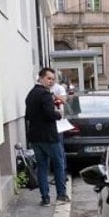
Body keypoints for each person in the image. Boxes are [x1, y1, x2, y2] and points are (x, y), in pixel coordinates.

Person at [25, 67, 70, 206]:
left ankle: (45, 198)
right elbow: (50, 114)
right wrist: (59, 114)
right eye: (48, 78)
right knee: (59, 164)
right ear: (41, 78)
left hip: (35, 137)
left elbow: (27, 115)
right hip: (49, 137)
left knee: (42, 167)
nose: (51, 82)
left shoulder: (31, 94)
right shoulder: (45, 94)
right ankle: (61, 194)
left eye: (53, 79)